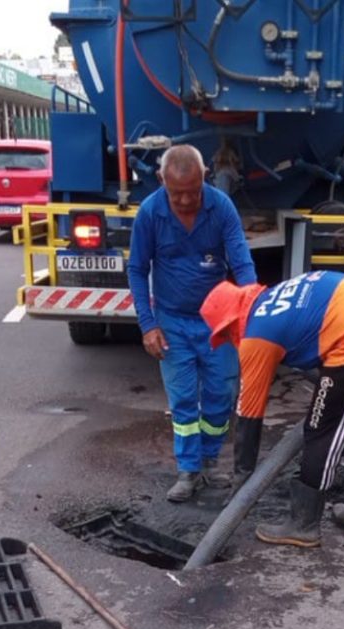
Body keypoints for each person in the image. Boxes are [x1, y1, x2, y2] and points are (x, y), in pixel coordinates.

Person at [200, 271, 344, 548]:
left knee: (322, 430)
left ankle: (304, 525)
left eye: (225, 334)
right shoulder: (269, 299)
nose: (229, 340)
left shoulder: (257, 335)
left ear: (231, 322)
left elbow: (249, 416)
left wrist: (242, 485)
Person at [128, 144, 259, 502]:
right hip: (172, 323)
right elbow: (138, 270)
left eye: (193, 192)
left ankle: (210, 461)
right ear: (160, 181)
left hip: (217, 323)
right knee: (184, 399)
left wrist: (250, 307)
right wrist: (148, 324)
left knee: (220, 395)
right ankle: (188, 470)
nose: (185, 201)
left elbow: (241, 262)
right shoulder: (150, 214)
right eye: (176, 194)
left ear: (205, 179)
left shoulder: (221, 208)